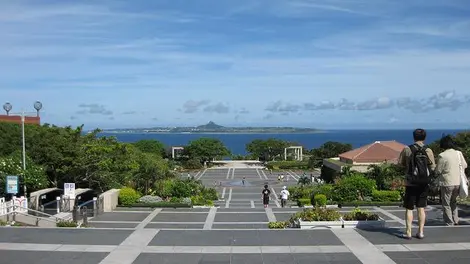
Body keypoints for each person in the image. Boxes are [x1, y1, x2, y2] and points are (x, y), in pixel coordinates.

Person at [398, 128, 436, 239]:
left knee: (409, 208)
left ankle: (408, 232)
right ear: (424, 137)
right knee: (421, 207)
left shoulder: (407, 149)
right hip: (424, 182)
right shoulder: (428, 150)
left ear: (414, 137)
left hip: (411, 181)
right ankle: (420, 232)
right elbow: (432, 166)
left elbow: (400, 164)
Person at [435, 135, 468, 226]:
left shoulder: (442, 155)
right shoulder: (458, 153)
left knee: (446, 203)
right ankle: (455, 219)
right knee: (453, 202)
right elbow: (465, 165)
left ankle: (449, 222)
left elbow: (438, 170)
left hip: (447, 182)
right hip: (457, 182)